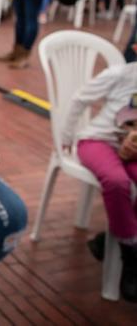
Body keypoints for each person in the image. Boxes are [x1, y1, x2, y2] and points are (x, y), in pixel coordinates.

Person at [62, 60, 137, 302]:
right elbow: (80, 99)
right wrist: (65, 135)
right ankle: (130, 255)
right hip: (98, 141)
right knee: (117, 181)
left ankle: (108, 241)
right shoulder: (120, 74)